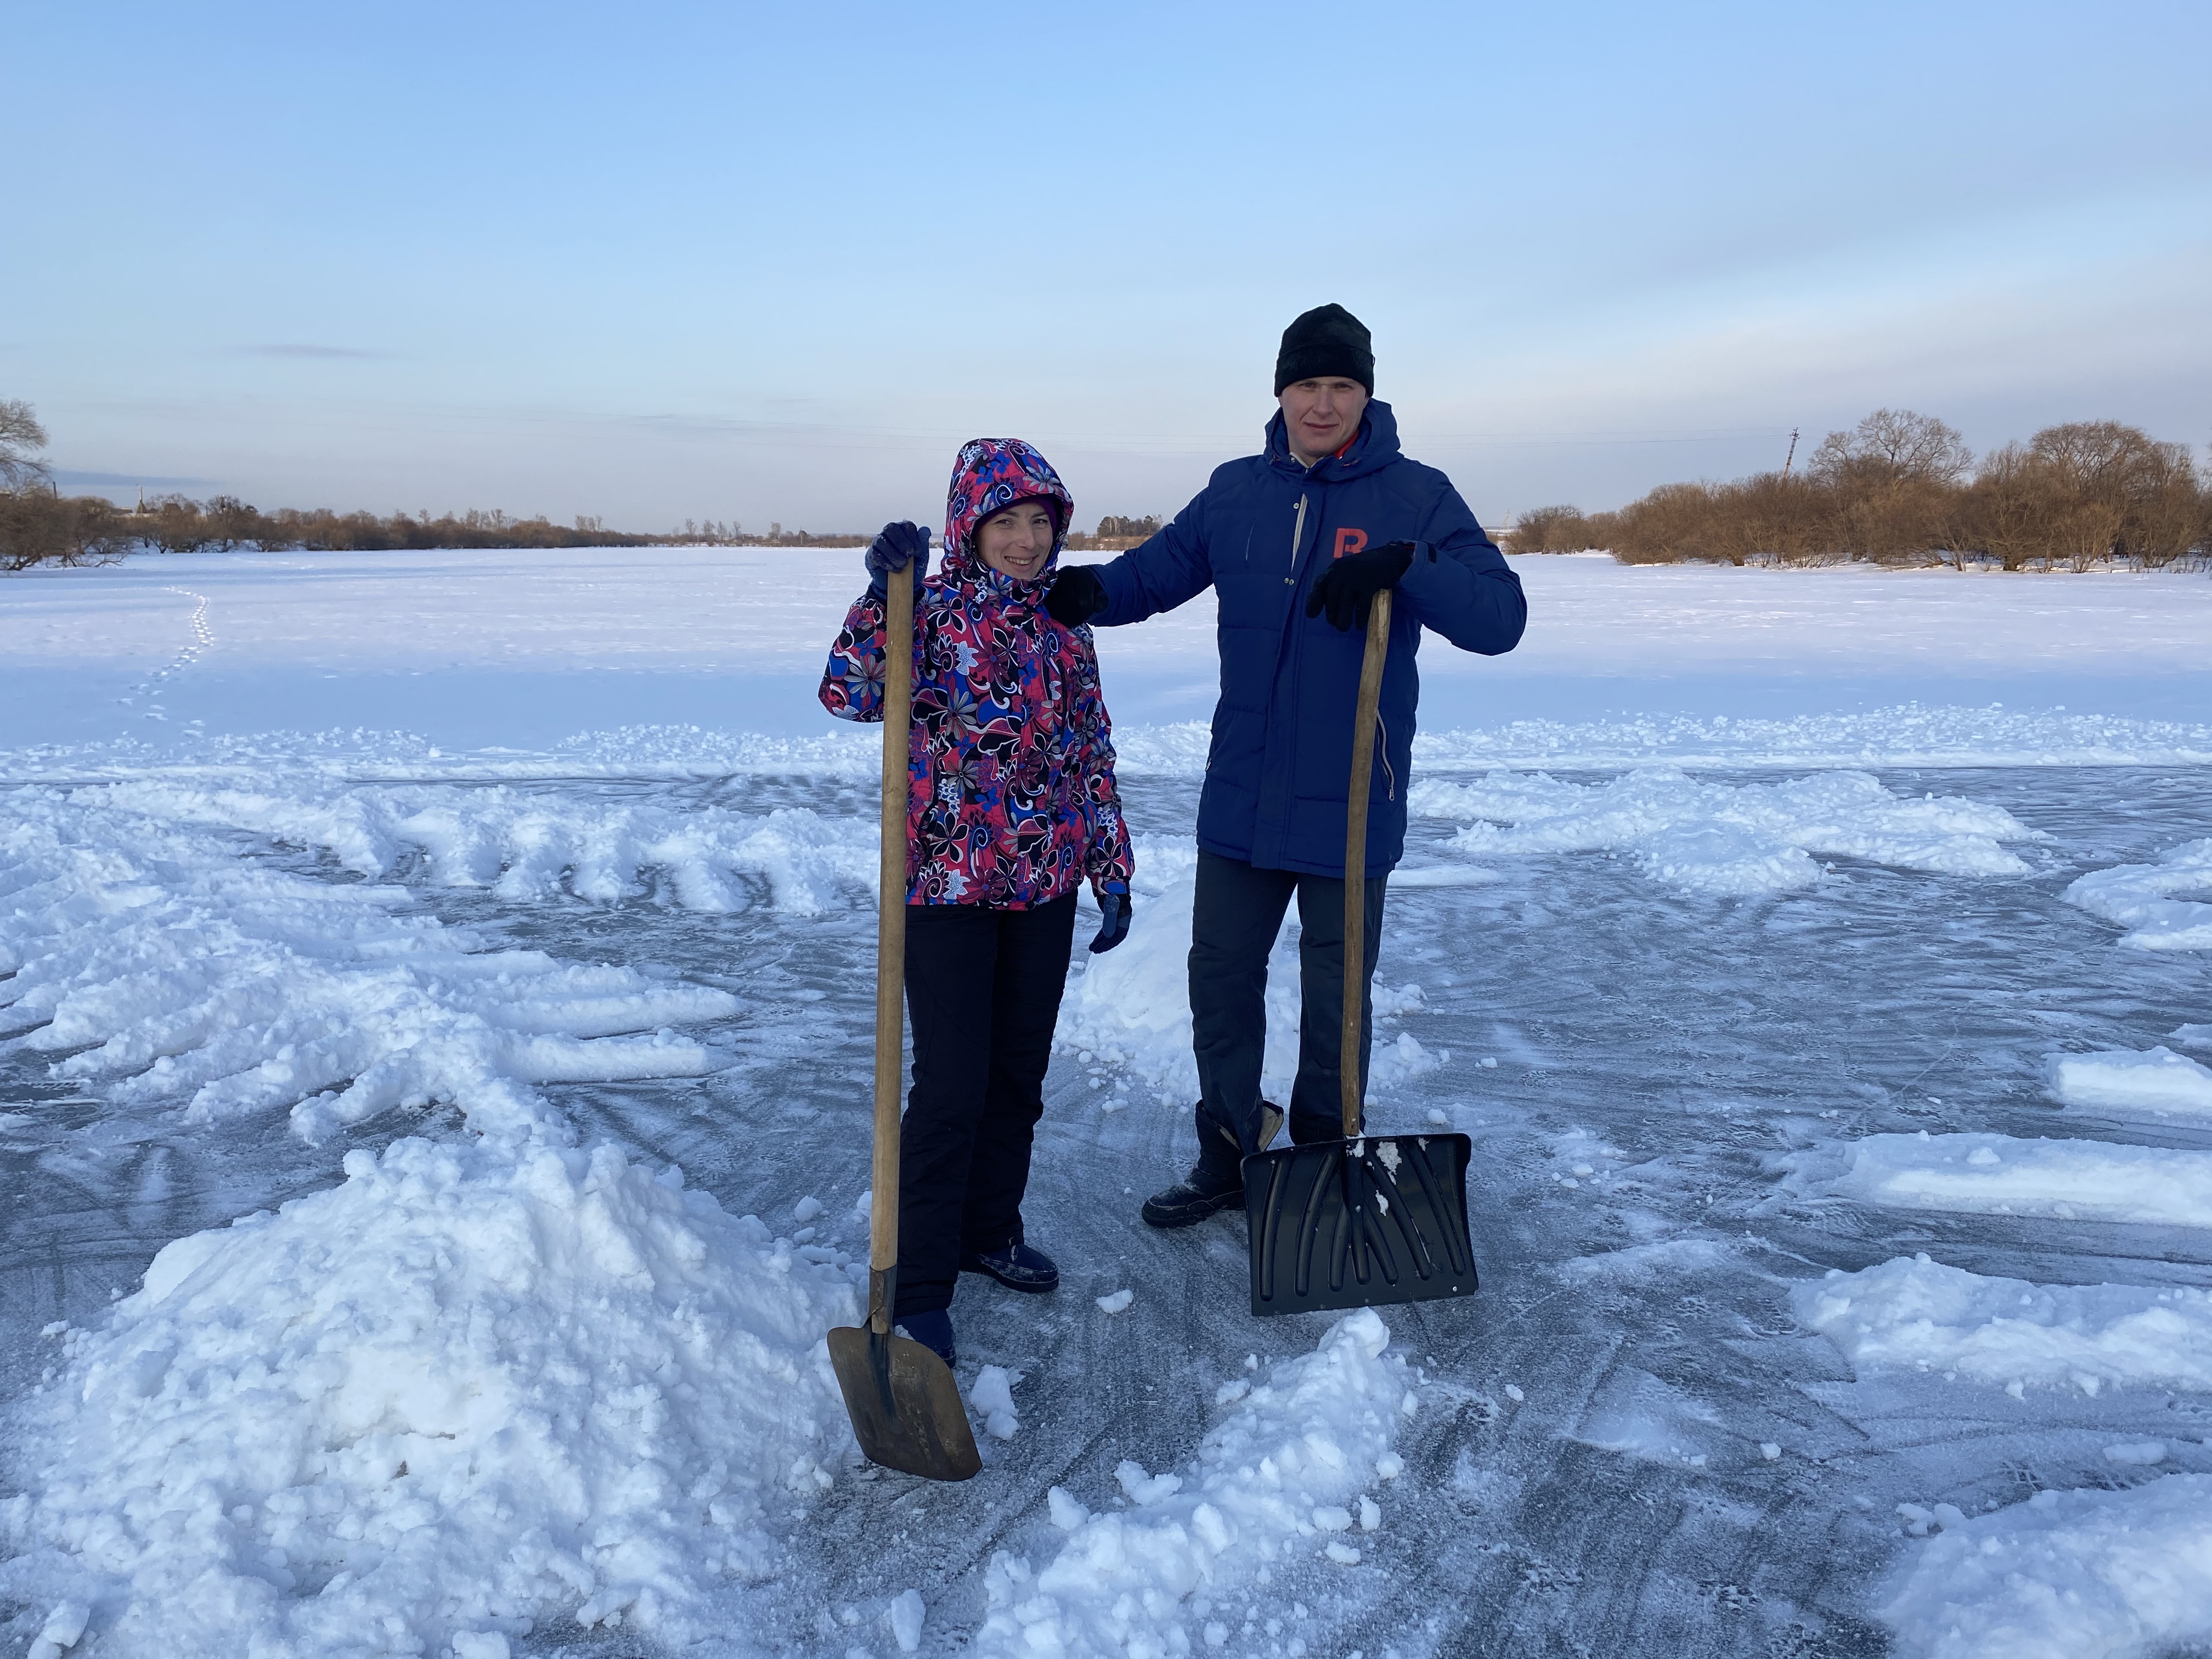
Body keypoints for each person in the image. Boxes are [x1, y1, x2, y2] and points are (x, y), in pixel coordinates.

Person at [1041, 304, 1526, 1228]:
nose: (1323, 403)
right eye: (1308, 384)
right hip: (1243, 793)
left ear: (1367, 395)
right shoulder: (1237, 493)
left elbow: (1501, 620)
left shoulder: (1418, 496)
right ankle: (1226, 1151)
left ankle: (1325, 1154)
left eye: (1342, 386)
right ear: (1280, 391)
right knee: (1220, 976)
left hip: (1352, 796)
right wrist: (1091, 590)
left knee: (1337, 993)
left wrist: (1409, 565)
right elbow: (1156, 571)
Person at [820, 438, 1135, 1365]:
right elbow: (846, 692)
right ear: (971, 524)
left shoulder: (1064, 626)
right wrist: (883, 597)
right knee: (952, 1085)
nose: (1029, 540)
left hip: (1045, 887)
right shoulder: (931, 608)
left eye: (1042, 521)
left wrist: (1111, 867)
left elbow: (1091, 756)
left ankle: (989, 1230)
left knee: (1016, 1082)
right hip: (947, 884)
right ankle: (917, 1283)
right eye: (1009, 521)